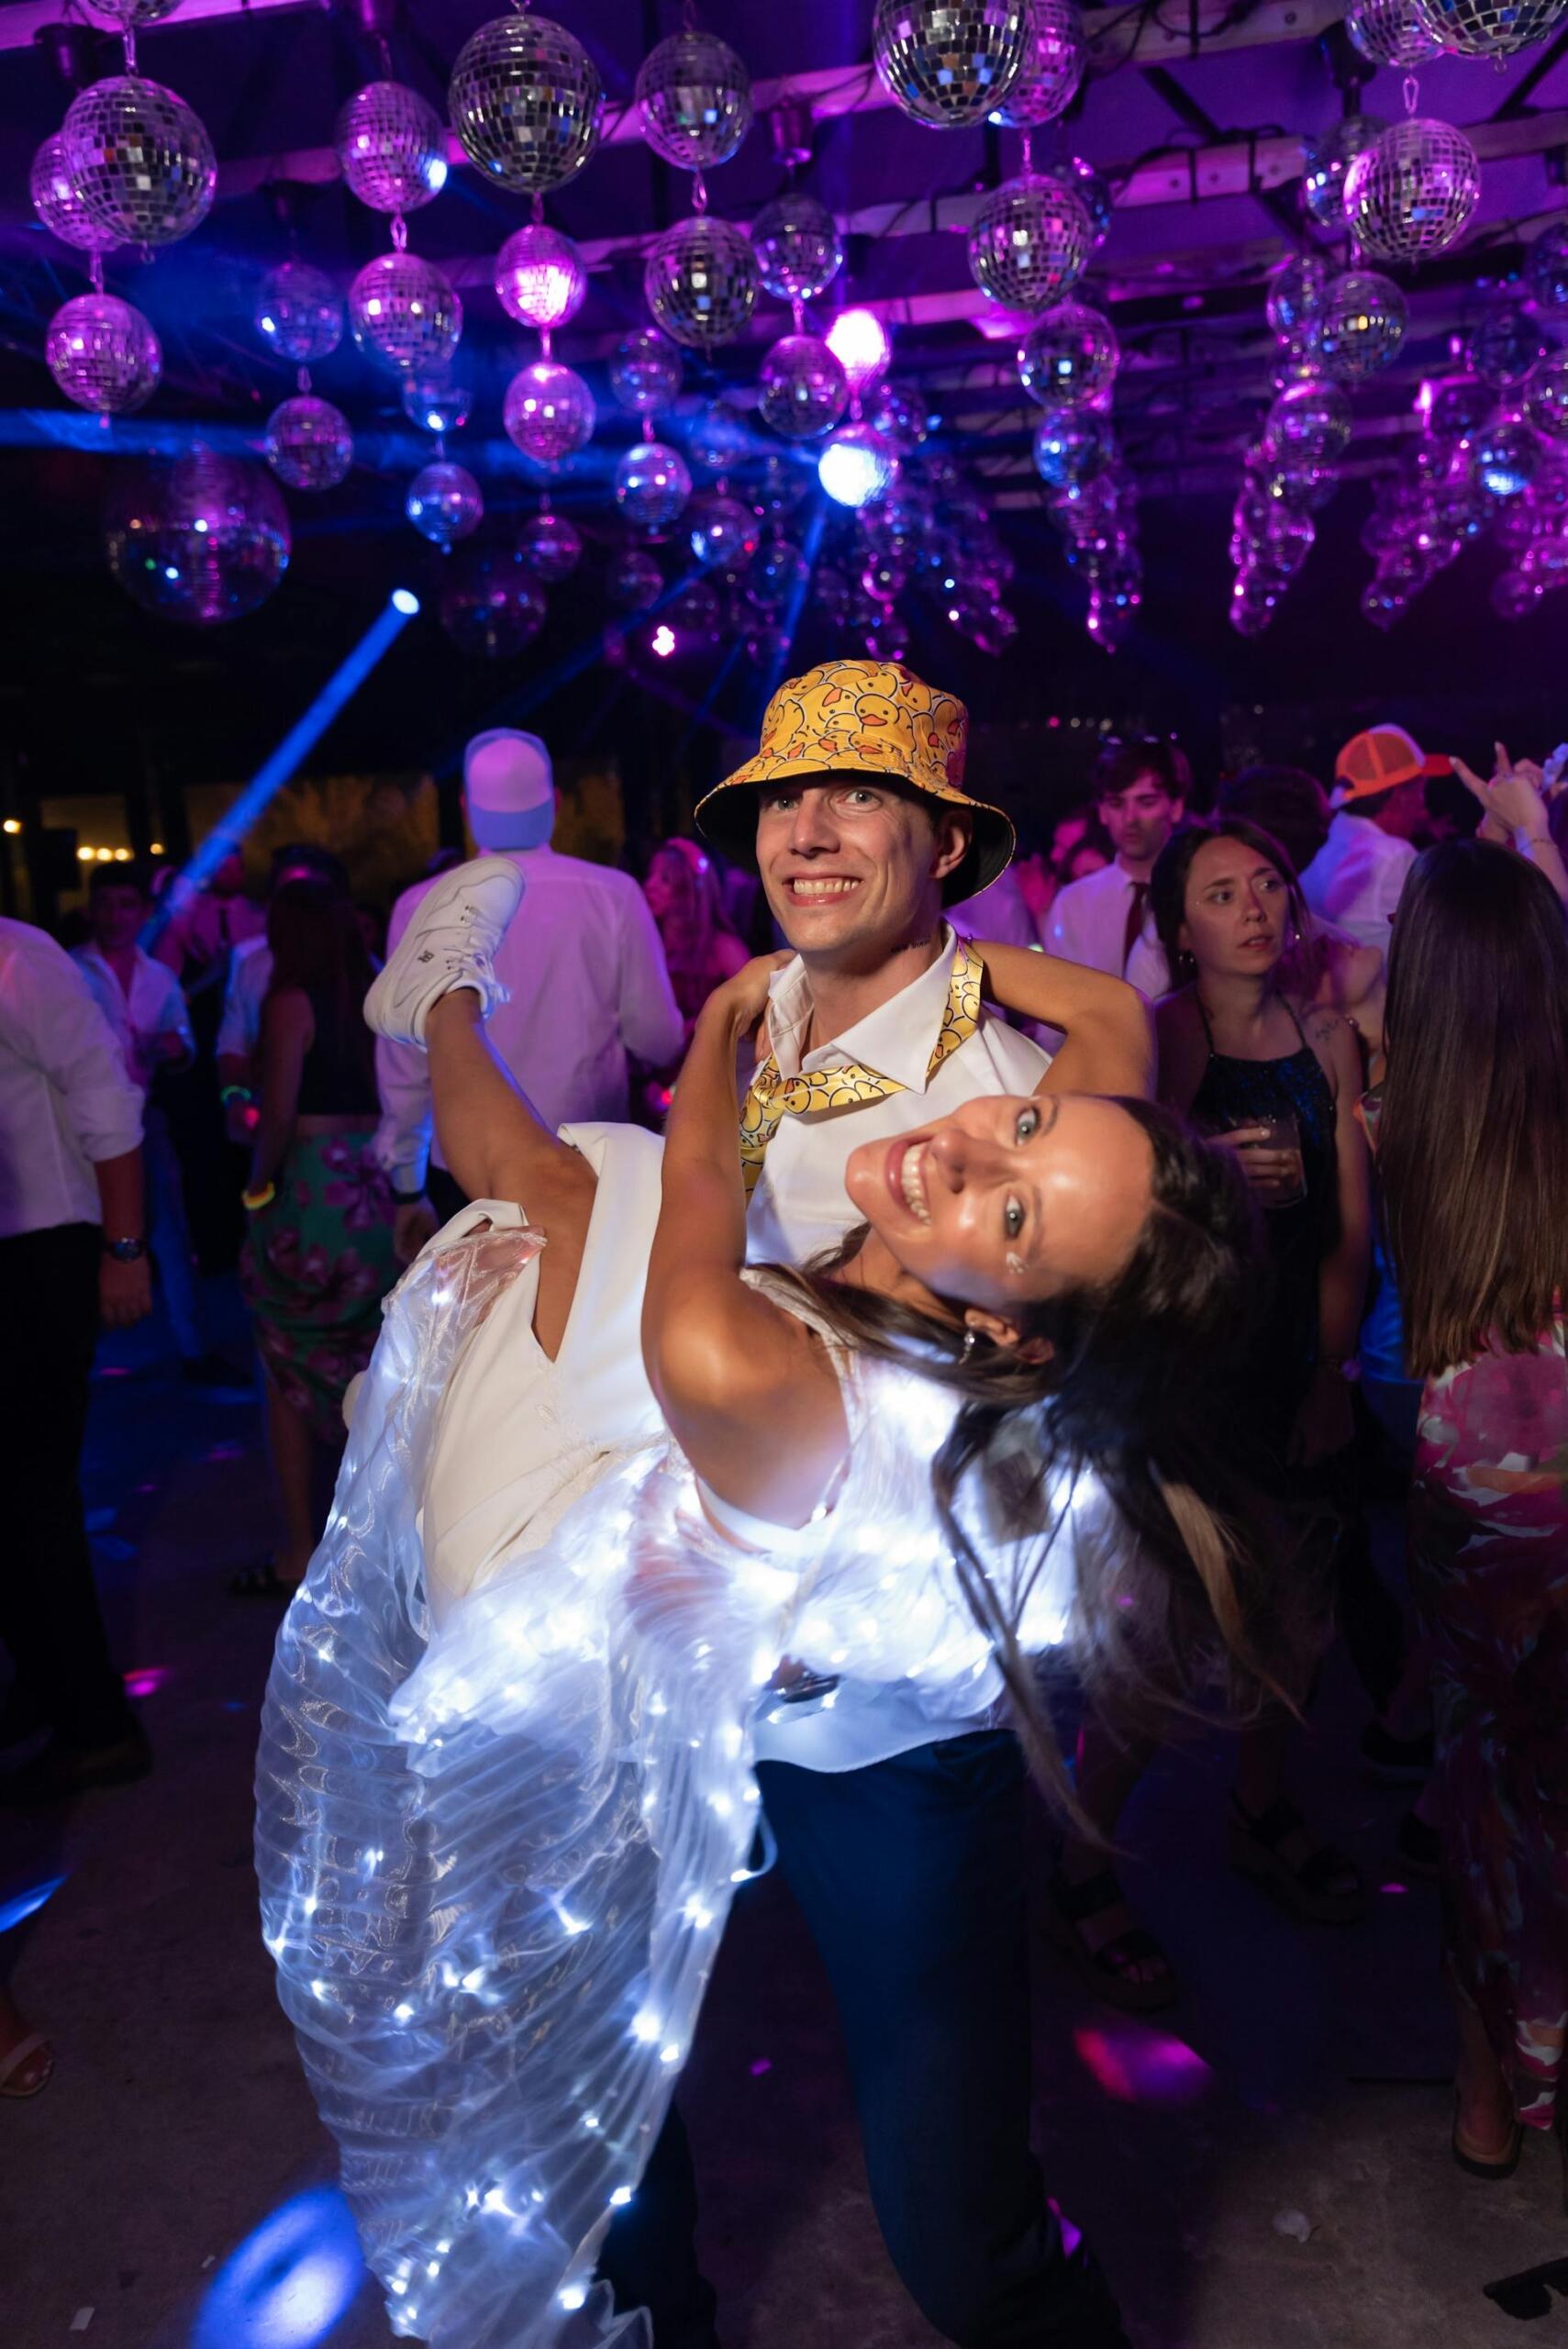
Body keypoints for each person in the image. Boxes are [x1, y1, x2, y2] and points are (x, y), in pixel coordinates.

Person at [259, 834, 1273, 2349]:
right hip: (679, 1636)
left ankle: (441, 998)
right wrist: (893, 961)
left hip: (856, 1726)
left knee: (950, 2225)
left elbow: (695, 1188)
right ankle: (440, 996)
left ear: (1012, 1342)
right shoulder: (1019, 1092)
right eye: (1011, 1124)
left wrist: (729, 1031)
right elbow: (1115, 1033)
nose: (962, 1152)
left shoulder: (765, 1371)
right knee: (548, 1183)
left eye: (1008, 1214)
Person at [1048, 817, 1373, 2004]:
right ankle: (1081, 1862)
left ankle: (1259, 1805)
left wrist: (1331, 1376)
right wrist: (1211, 1163)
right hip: (1192, 1369)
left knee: (1300, 1611)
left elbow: (1346, 1235)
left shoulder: (1323, 1037)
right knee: (1159, 1634)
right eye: (1221, 893)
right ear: (1177, 928)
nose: (1254, 907)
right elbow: (1124, 1211)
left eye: (1267, 885)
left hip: (1292, 1361)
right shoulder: (1161, 1042)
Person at [1371, 786, 1568, 2176]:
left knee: (1481, 1774)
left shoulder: (1396, 1111)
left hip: (1467, 1483)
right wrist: (1536, 842)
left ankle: (1482, 2094)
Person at [375, 729, 683, 1254]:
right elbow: (658, 1038)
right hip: (592, 1168)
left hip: (473, 1180)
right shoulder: (613, 894)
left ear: (467, 808)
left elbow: (407, 1071)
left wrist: (408, 1186)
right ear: (556, 804)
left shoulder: (419, 907)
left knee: (488, 1329)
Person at [0, 916, 152, 1802]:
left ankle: (96, 1721)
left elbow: (107, 1097)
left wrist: (125, 1248)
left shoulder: (20, 959)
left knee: (33, 1494)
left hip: (45, 1246)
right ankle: (47, 1688)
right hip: (17, 1248)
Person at [236, 880, 400, 1596]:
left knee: (284, 1362)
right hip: (375, 1184)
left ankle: (301, 1548)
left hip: (310, 1189)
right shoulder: (377, 999)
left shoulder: (289, 1004)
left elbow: (275, 1116)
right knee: (381, 1364)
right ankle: (392, 1547)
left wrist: (253, 1188)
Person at [72, 863, 235, 1386]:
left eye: (126, 906)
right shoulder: (70, 970)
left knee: (170, 1233)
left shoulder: (156, 976)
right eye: (106, 905)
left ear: (141, 912)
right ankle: (79, 1359)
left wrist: (175, 1048)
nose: (116, 917)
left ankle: (195, 1351)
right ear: (90, 909)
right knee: (79, 1238)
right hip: (76, 1126)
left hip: (142, 1120)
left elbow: (184, 1045)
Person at [215, 844, 352, 1148]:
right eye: (287, 894)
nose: (295, 906)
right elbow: (232, 1044)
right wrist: (236, 1099)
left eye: (307, 895)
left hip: (345, 1137)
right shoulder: (252, 963)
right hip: (268, 1132)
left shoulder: (362, 969)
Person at [1047, 740, 1186, 997]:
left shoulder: (1193, 894)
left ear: (1175, 807)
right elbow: (1056, 1014)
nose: (1130, 818)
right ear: (1102, 811)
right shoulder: (1073, 903)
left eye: (1146, 802)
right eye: (1117, 803)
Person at [1298, 726, 1449, 957]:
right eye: (1420, 792)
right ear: (1400, 796)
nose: (1423, 808)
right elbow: (1440, 948)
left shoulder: (1316, 847)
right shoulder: (1394, 856)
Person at [642, 835, 750, 1039]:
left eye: (665, 879)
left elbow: (756, 1001)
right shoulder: (649, 943)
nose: (650, 885)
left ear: (691, 890)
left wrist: (700, 1024)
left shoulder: (722, 947)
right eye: (651, 875)